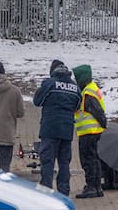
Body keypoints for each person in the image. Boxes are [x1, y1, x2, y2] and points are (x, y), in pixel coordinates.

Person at [32, 60, 81, 196]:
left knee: (47, 161)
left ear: (52, 71)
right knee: (64, 162)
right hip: (67, 131)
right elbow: (77, 106)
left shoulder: (50, 84)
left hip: (50, 129)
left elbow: (37, 101)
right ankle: (64, 192)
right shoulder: (75, 87)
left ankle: (46, 192)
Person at [73, 64, 108, 199]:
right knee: (94, 159)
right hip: (94, 131)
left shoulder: (87, 93)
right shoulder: (91, 89)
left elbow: (97, 110)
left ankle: (92, 187)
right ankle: (97, 186)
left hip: (89, 132)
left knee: (87, 160)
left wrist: (103, 123)